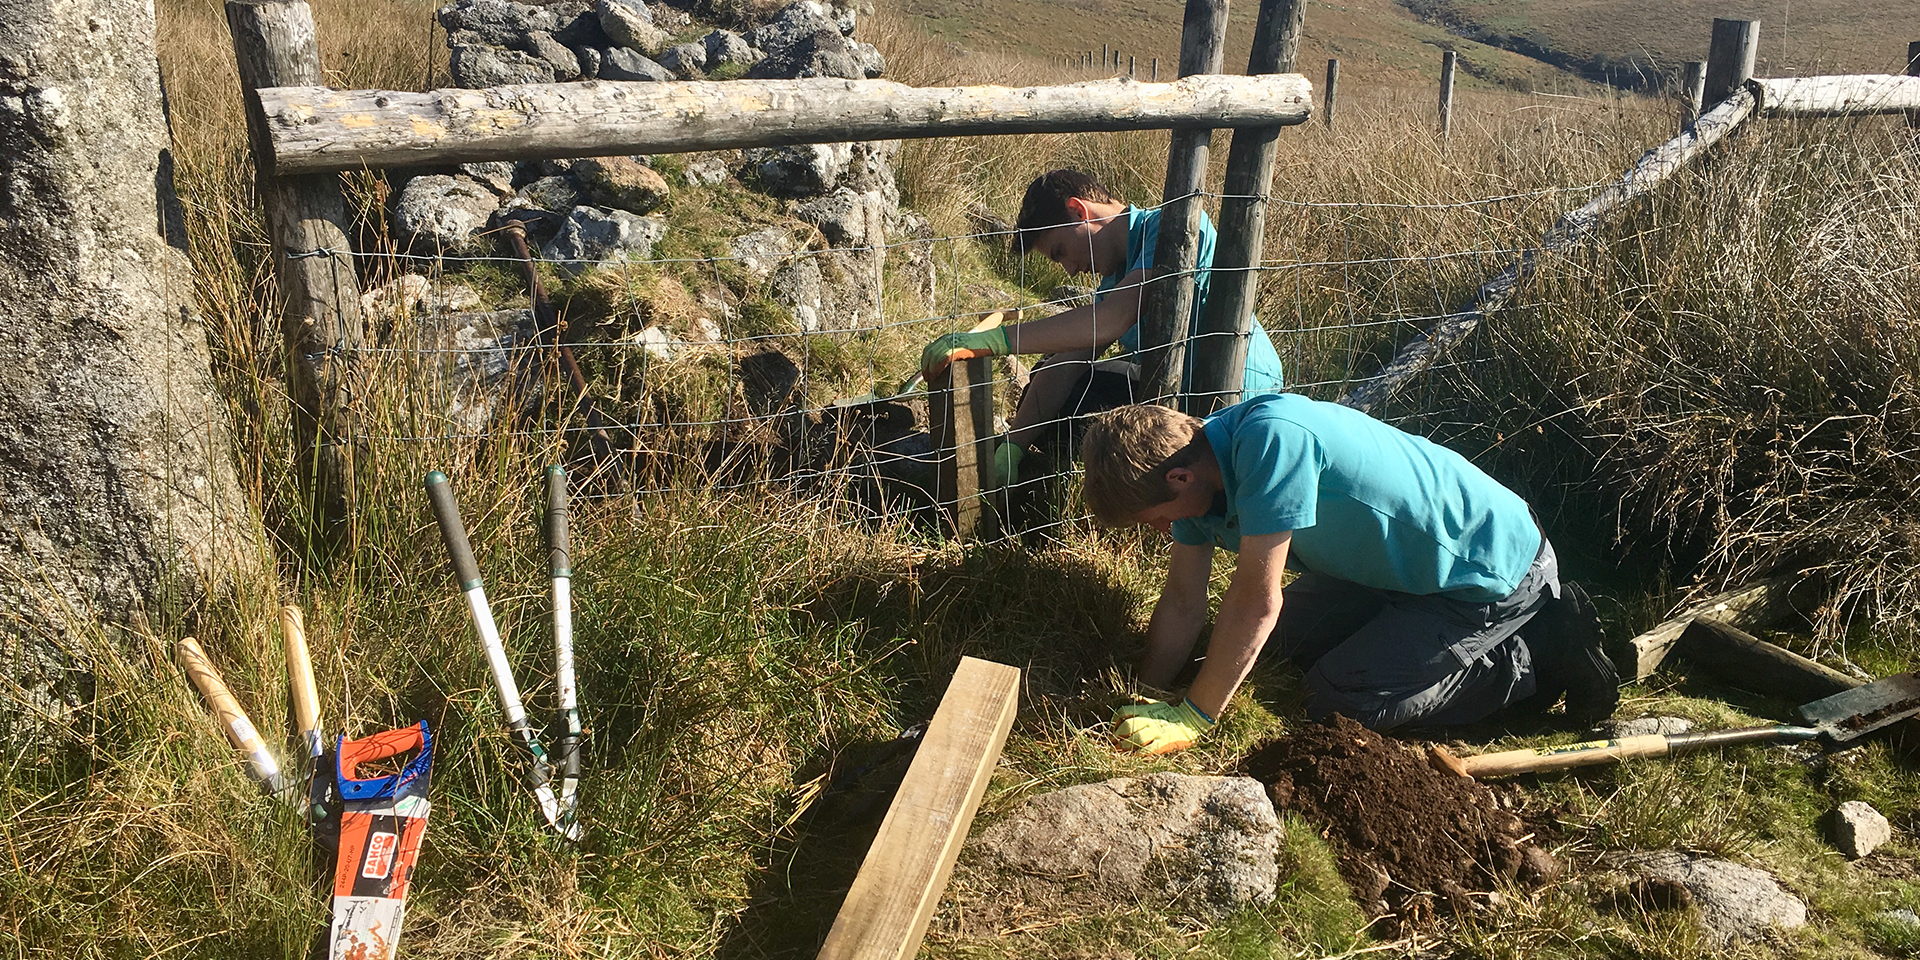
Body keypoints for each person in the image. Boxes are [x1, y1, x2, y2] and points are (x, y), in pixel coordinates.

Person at [1079, 395, 1618, 754]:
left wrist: (1196, 714)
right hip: (1387, 573)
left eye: (1153, 520)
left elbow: (1255, 604)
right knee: (1270, 653)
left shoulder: (1271, 444)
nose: (1156, 533)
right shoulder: (1201, 481)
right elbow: (1182, 603)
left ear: (1178, 477)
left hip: (1486, 573)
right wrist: (1146, 689)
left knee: (1336, 699)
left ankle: (1533, 656)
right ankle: (1413, 635)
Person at [918, 169, 1288, 486]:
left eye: (1060, 251)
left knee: (1082, 409)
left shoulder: (1174, 230)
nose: (1070, 269)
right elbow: (1069, 360)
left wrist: (997, 339)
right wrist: (1016, 442)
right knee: (1058, 387)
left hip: (1241, 403)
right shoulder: (1115, 278)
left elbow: (1111, 320)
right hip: (1178, 397)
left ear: (1078, 211)